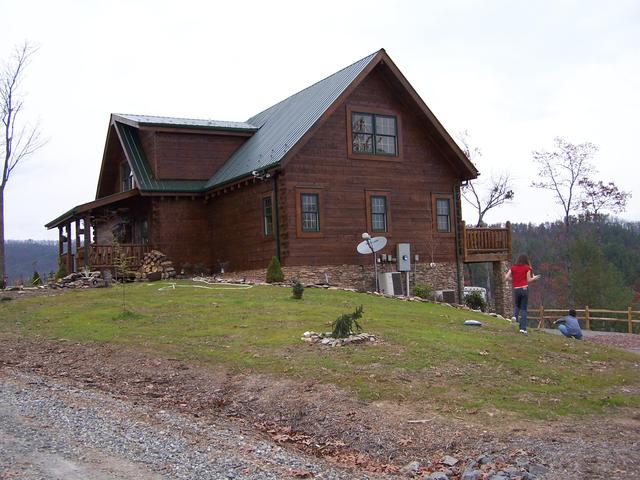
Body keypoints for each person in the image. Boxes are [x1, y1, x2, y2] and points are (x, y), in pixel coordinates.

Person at [504, 254, 540, 334]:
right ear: (526, 260)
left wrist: (514, 280)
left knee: (517, 306)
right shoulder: (527, 268)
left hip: (516, 289)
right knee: (523, 309)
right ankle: (522, 329)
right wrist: (534, 278)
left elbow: (506, 277)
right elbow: (529, 280)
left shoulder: (513, 267)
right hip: (524, 289)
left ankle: (514, 316)